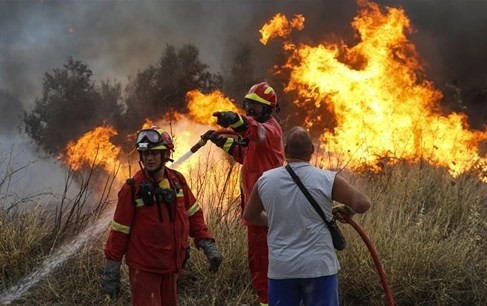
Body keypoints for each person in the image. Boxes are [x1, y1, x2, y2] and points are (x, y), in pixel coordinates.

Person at [243, 126, 371, 306]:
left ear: (285, 150)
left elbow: (250, 216)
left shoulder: (265, 180)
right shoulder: (327, 179)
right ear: (311, 151)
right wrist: (347, 211)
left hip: (282, 270)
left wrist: (276, 221)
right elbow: (363, 203)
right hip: (319, 268)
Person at [102, 126, 223, 306]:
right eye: (144, 153)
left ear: (166, 154)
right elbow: (119, 232)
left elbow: (194, 215)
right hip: (145, 269)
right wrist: (111, 272)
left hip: (171, 267)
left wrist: (207, 244)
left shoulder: (178, 182)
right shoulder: (132, 189)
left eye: (154, 153)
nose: (148, 158)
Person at [204, 81, 284, 306]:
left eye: (256, 107)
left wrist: (236, 120)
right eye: (248, 105)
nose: (250, 110)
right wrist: (223, 143)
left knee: (265, 261)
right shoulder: (256, 131)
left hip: (268, 210)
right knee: (257, 261)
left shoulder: (270, 129)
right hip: (256, 208)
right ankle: (266, 300)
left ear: (268, 109)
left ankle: (271, 301)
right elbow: (246, 155)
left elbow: (254, 131)